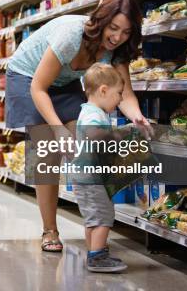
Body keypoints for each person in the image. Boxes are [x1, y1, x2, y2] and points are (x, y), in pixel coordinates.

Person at [4, 0, 152, 252]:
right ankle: (50, 230)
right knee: (47, 151)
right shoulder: (71, 35)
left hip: (64, 81)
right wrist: (58, 129)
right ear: (101, 21)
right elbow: (39, 88)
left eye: (126, 32)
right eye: (113, 28)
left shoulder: (117, 49)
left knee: (85, 144)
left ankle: (94, 223)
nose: (117, 37)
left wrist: (136, 116)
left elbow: (125, 93)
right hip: (28, 78)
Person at [74, 63, 126, 272]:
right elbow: (93, 134)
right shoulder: (94, 114)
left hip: (84, 177)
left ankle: (93, 252)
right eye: (119, 94)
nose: (121, 99)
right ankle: (97, 257)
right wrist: (118, 134)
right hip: (90, 178)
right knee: (104, 216)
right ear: (103, 90)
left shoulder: (90, 110)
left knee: (93, 219)